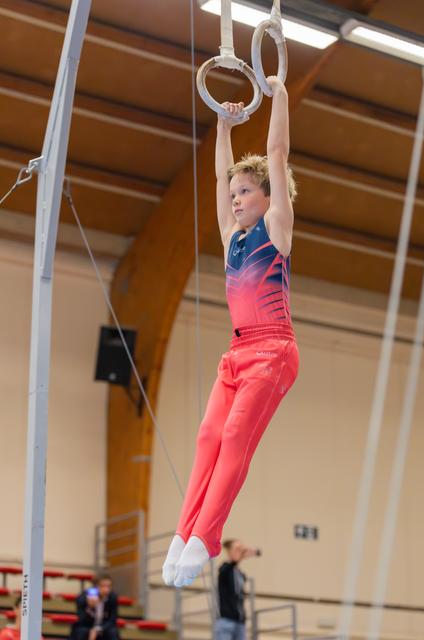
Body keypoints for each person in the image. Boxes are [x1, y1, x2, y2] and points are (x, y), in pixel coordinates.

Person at [162, 74, 299, 588]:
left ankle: (206, 538)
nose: (236, 199)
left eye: (246, 192)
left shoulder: (276, 229)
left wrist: (280, 93)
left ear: (268, 197)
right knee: (208, 437)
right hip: (238, 355)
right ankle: (183, 533)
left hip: (274, 352)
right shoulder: (230, 238)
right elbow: (220, 174)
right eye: (234, 193)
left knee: (238, 434)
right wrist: (222, 124)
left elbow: (278, 151)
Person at [215, 540, 260, 640]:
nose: (240, 552)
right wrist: (243, 553)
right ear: (229, 551)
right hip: (226, 620)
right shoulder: (225, 569)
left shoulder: (239, 574)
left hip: (239, 622)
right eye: (237, 549)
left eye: (241, 549)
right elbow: (229, 566)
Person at [70, 574, 119, 640]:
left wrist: (98, 629)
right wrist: (89, 607)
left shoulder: (112, 597)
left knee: (113, 632)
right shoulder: (83, 597)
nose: (106, 589)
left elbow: (112, 620)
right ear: (95, 586)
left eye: (109, 586)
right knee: (80, 632)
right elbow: (81, 620)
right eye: (102, 586)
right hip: (87, 626)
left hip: (103, 627)